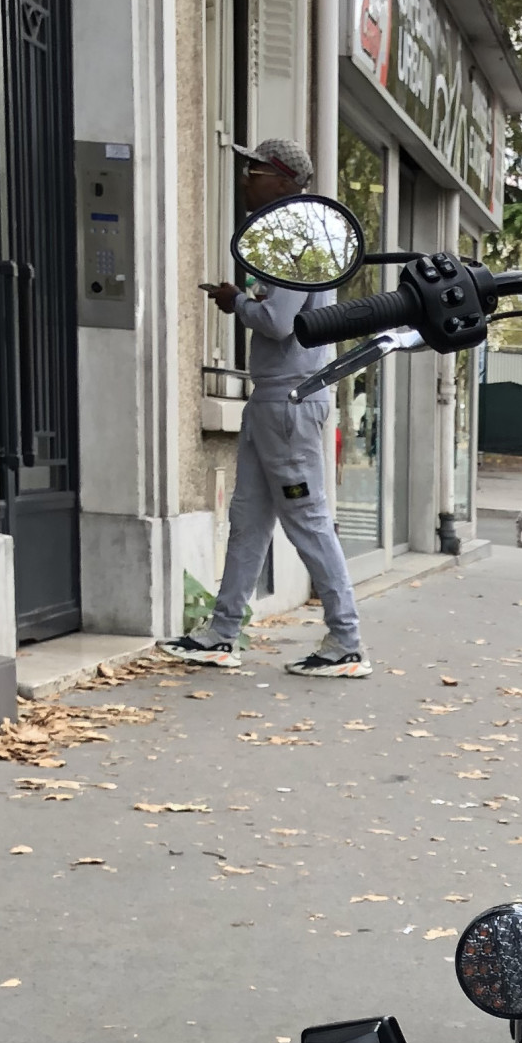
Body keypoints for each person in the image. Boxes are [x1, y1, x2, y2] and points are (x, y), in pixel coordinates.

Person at [160, 137, 369, 679]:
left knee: (308, 521)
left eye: (254, 170)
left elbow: (279, 322)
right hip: (277, 401)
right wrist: (249, 300)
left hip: (288, 404)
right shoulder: (292, 236)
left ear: (283, 180)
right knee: (248, 520)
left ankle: (346, 641)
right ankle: (222, 633)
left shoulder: (291, 239)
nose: (245, 178)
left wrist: (238, 304)